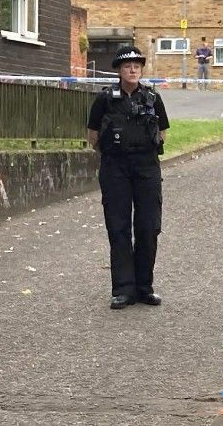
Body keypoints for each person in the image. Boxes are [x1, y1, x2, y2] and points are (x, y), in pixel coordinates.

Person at [87, 46, 170, 310]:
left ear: (141, 70)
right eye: (127, 66)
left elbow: (163, 132)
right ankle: (123, 290)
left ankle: (145, 287)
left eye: (136, 66)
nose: (132, 70)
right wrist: (113, 154)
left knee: (148, 227)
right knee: (118, 228)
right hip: (115, 168)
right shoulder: (105, 99)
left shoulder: (152, 98)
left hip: (146, 167)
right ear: (119, 71)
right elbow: (92, 135)